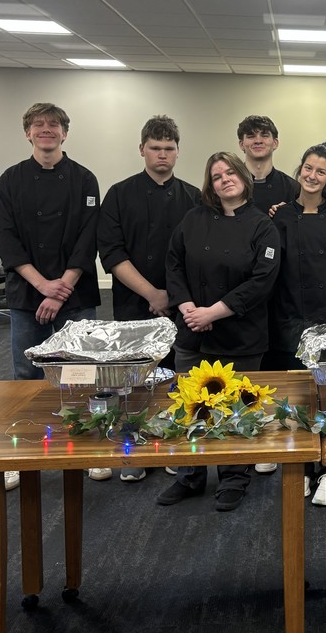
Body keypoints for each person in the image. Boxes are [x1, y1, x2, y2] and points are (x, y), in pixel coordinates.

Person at [157, 152, 281, 512]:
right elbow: (174, 264)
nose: (224, 179)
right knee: (192, 406)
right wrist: (188, 309)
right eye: (216, 176)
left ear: (243, 177)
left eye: (230, 172)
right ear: (210, 185)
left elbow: (262, 281)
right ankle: (190, 475)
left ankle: (233, 478)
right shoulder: (193, 219)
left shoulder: (262, 226)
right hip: (193, 330)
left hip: (240, 334)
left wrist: (214, 311)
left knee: (236, 408)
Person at [0, 102, 102, 489]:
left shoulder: (85, 179)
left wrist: (61, 287)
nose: (46, 130)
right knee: (26, 374)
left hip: (74, 292)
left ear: (64, 133)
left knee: (81, 372)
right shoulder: (10, 180)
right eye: (38, 125)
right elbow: (5, 237)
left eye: (53, 125)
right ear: (27, 133)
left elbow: (88, 238)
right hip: (27, 292)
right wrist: (42, 285)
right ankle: (24, 452)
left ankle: (86, 446)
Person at [98, 114, 201, 483]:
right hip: (133, 304)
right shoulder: (119, 194)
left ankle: (172, 445)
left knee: (175, 379)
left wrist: (172, 298)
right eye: (155, 148)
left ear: (177, 152)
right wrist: (153, 294)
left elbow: (200, 255)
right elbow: (111, 253)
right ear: (142, 150)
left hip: (182, 307)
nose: (162, 155)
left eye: (169, 149)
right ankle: (134, 452)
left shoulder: (194, 197)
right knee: (133, 381)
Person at [272, 143, 326, 506]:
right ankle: (303, 464)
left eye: (321, 171)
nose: (312, 176)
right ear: (299, 169)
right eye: (308, 168)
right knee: (300, 395)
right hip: (291, 315)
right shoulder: (281, 215)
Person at [237, 114, 298, 215]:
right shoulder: (229, 186)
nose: (258, 141)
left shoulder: (292, 188)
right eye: (251, 136)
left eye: (264, 136)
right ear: (242, 144)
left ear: (275, 143)